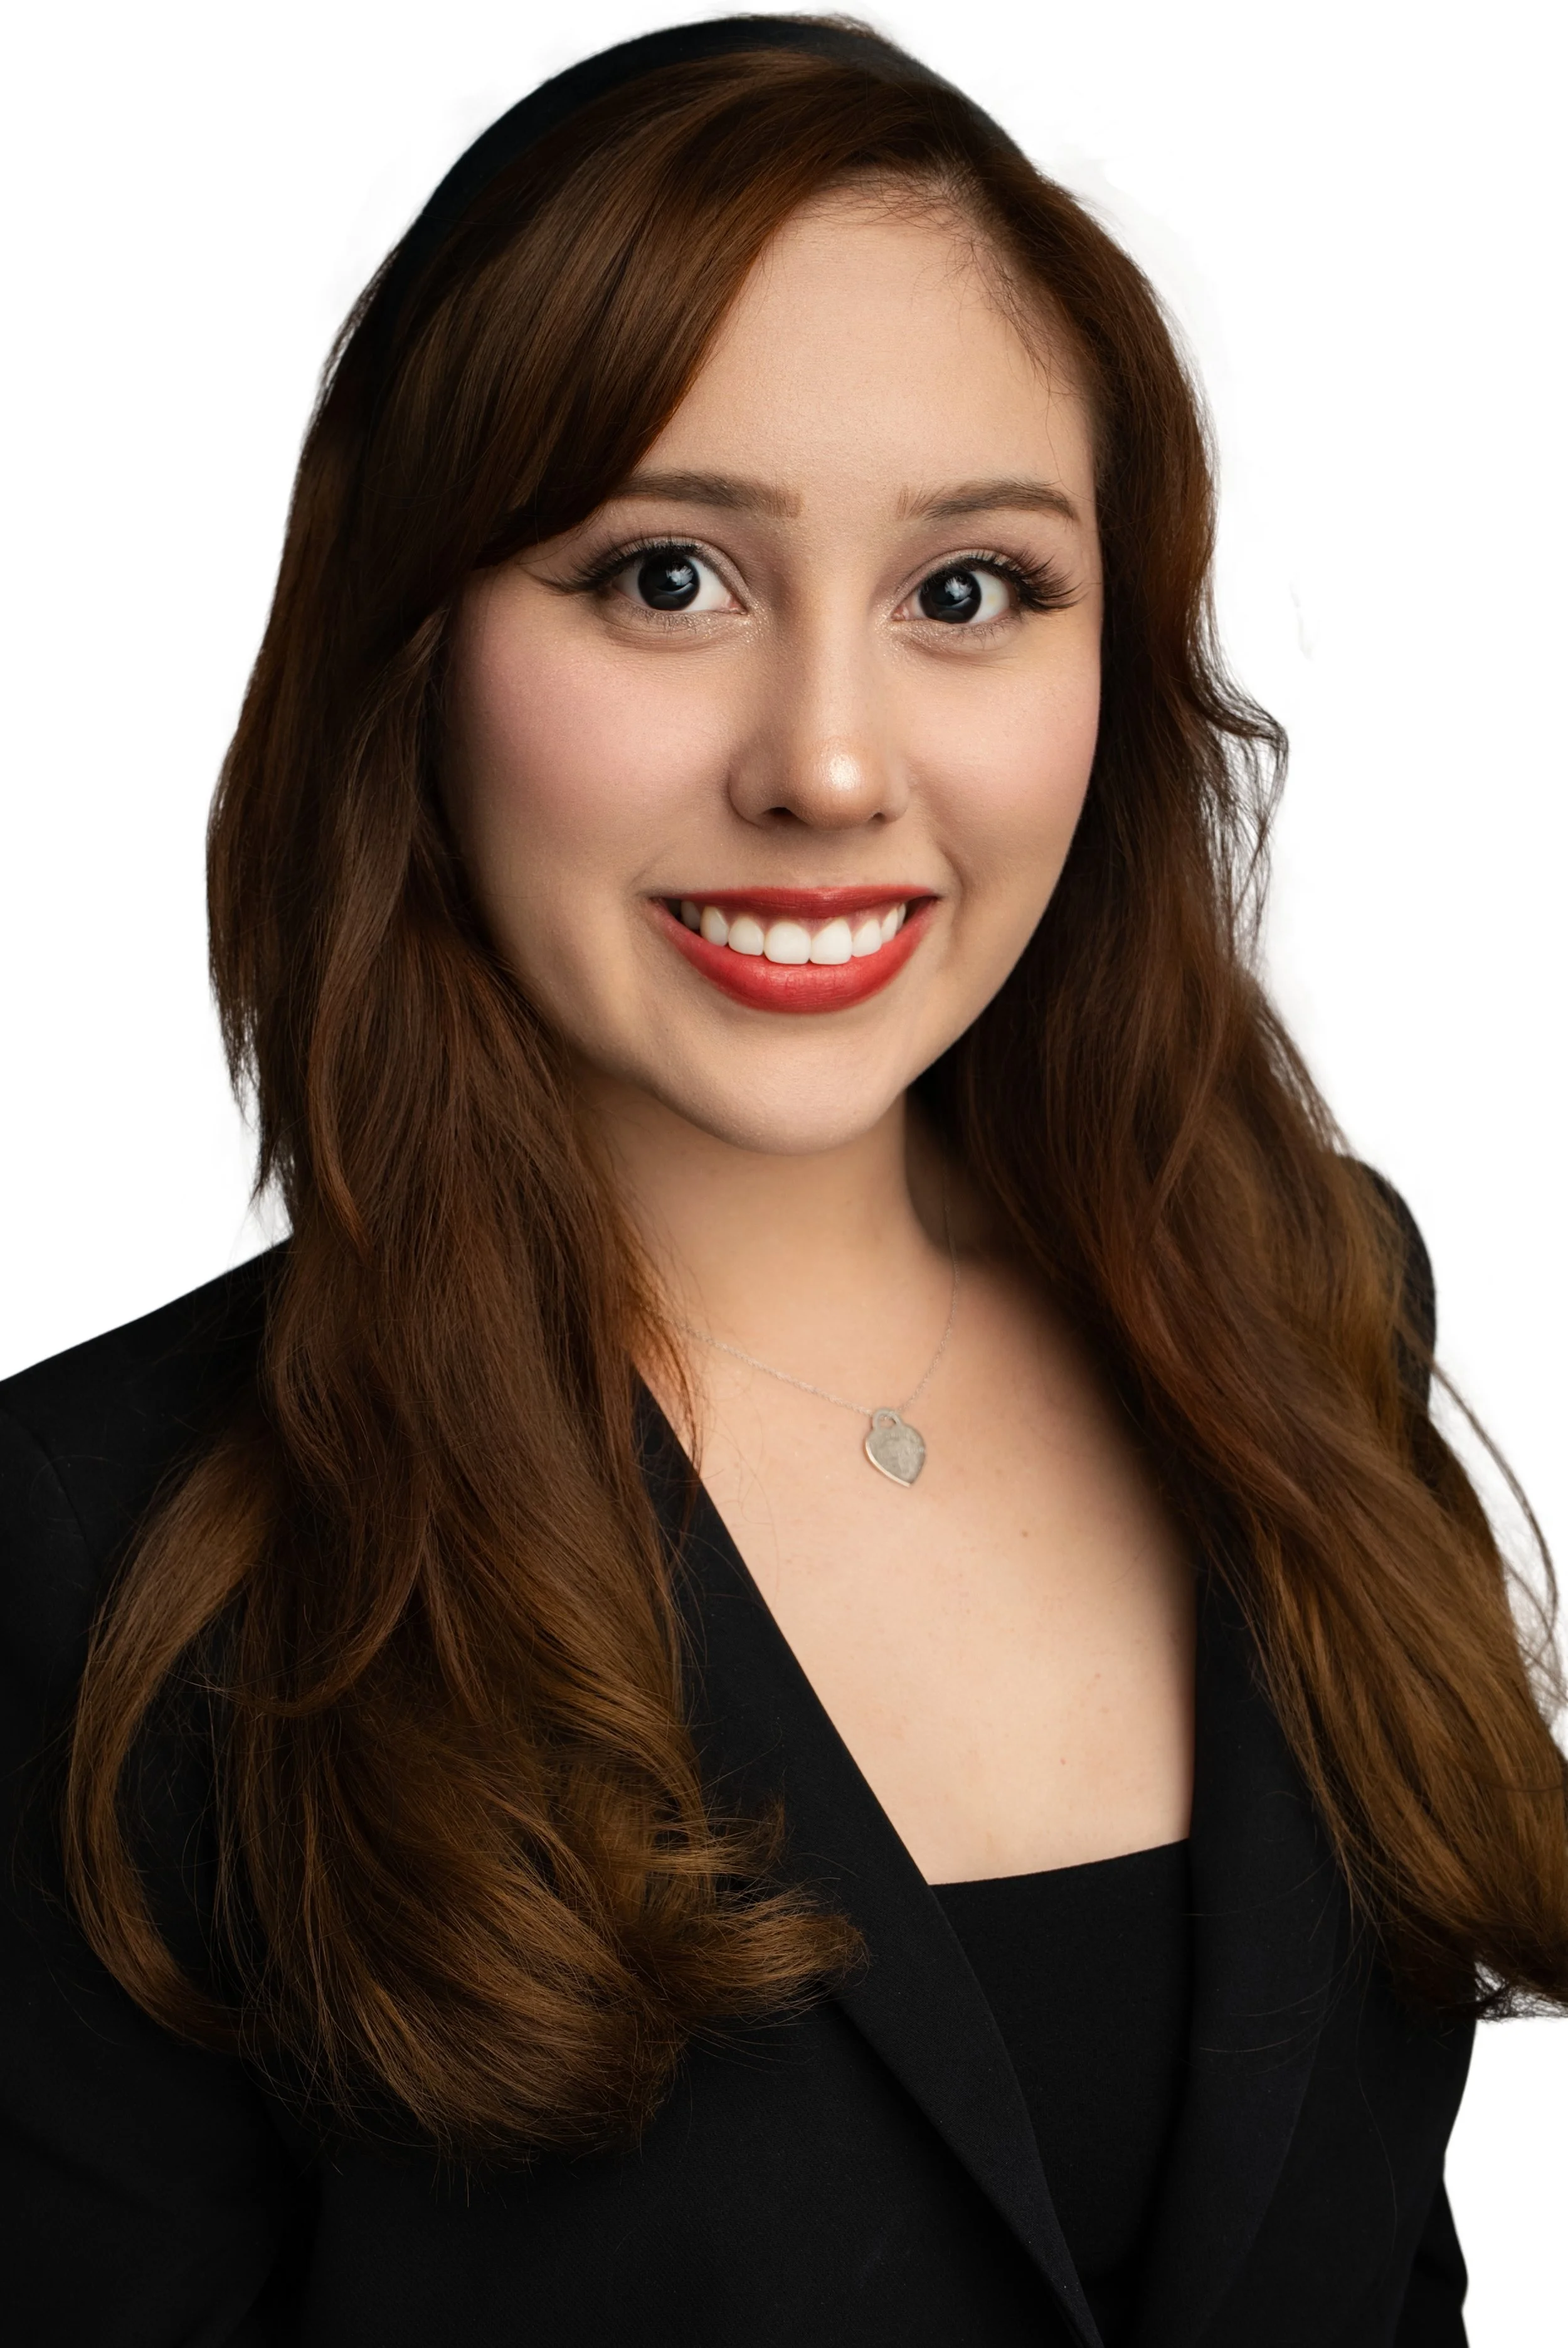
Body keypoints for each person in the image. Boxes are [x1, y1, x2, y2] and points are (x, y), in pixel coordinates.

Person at [1, 17, 1563, 2345]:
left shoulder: (1314, 1300)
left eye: (968, 593)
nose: (830, 764)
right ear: (410, 653)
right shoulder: (92, 1555)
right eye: (662, 578)